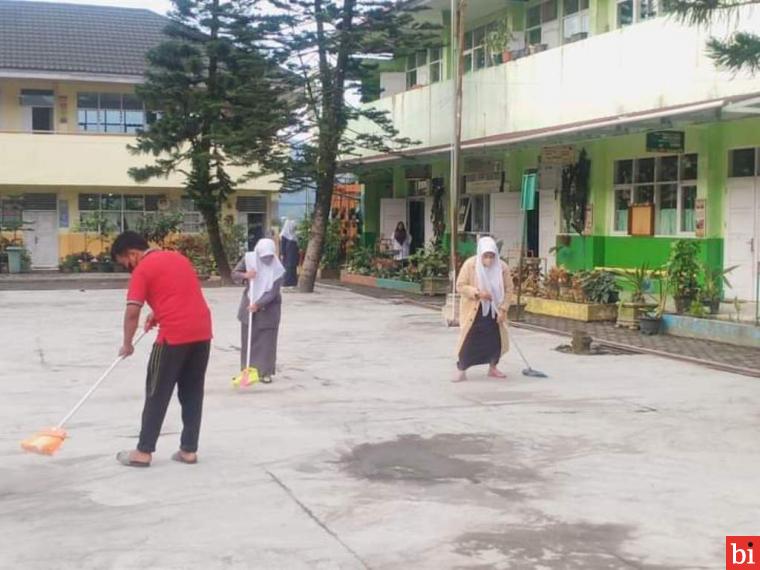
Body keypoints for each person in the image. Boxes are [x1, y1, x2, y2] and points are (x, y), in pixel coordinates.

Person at [111, 231, 212, 467]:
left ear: (133, 254)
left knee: (157, 392)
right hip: (202, 332)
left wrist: (127, 344)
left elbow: (132, 313)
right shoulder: (178, 258)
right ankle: (188, 450)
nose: (127, 268)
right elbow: (179, 293)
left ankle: (143, 452)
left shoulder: (142, 270)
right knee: (192, 393)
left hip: (173, 336)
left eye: (124, 263)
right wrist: (157, 312)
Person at [454, 236, 513, 383]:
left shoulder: (502, 267)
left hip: (495, 311)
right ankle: (461, 370)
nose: (489, 260)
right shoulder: (470, 265)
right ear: (480, 254)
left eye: (492, 256)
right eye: (486, 256)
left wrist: (504, 309)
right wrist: (478, 293)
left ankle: (493, 367)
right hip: (475, 311)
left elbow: (509, 289)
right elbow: (460, 286)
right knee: (470, 340)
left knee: (495, 340)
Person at [232, 238, 284, 384]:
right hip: (248, 305)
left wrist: (258, 304)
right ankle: (247, 371)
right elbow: (234, 273)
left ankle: (265, 372)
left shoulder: (277, 268)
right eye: (263, 256)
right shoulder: (249, 260)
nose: (266, 259)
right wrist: (245, 276)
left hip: (268, 310)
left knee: (267, 343)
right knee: (248, 341)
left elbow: (273, 292)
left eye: (269, 256)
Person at [279, 219, 300, 287]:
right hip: (288, 253)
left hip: (293, 253)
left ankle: (293, 283)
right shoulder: (284, 235)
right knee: (288, 267)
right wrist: (282, 254)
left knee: (293, 267)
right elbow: (282, 245)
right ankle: (286, 283)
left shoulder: (294, 235)